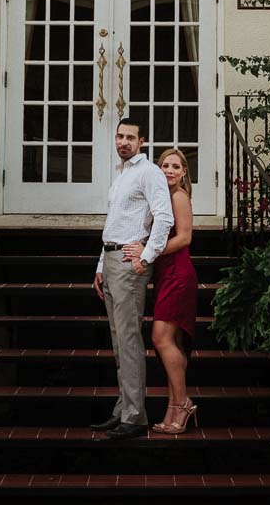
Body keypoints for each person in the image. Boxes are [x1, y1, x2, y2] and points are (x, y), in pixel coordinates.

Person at [89, 118, 174, 441]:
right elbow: (114, 223)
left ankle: (136, 416)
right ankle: (123, 409)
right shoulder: (123, 174)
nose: (123, 142)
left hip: (128, 265)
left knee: (128, 340)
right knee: (118, 340)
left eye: (130, 138)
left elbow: (163, 217)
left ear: (142, 141)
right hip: (111, 260)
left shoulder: (148, 172)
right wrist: (100, 264)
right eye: (119, 136)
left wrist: (147, 256)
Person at [123, 147, 198, 434]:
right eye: (164, 165)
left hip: (179, 275)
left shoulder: (179, 197)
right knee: (172, 344)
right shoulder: (161, 198)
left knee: (160, 338)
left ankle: (183, 403)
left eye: (175, 166)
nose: (169, 170)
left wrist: (148, 254)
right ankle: (173, 409)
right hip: (166, 275)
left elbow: (184, 238)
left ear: (183, 172)